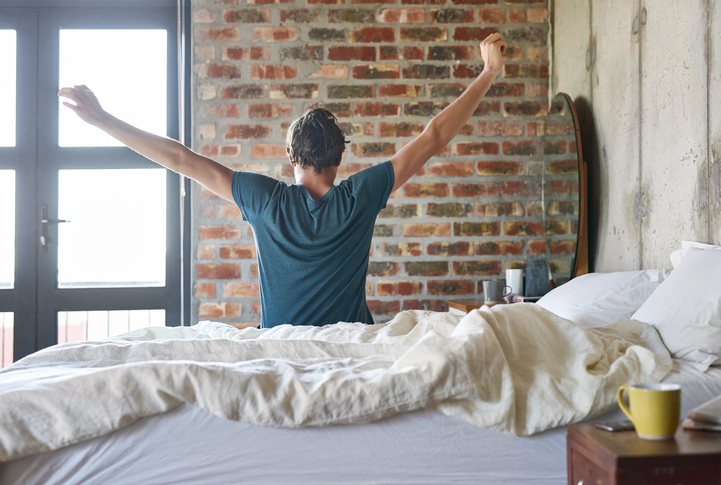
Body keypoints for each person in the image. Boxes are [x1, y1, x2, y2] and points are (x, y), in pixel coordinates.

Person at [59, 33, 506, 328]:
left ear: (290, 156)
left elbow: (181, 158)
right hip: (352, 348)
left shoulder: (263, 198)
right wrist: (487, 74)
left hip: (281, 349)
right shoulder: (361, 196)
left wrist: (101, 120)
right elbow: (434, 136)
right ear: (342, 154)